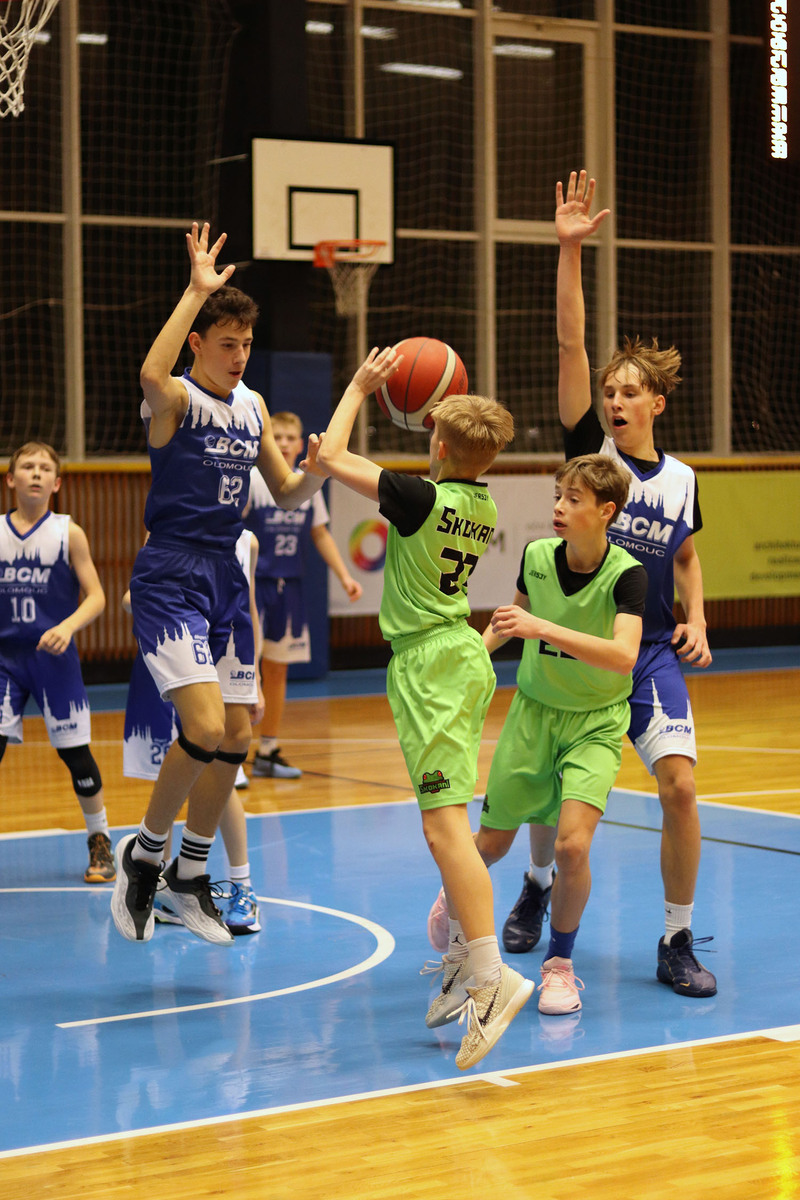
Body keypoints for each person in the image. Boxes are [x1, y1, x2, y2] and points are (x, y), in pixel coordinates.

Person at [474, 170, 716, 998]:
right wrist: (569, 251)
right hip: (577, 647)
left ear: (657, 402)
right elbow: (571, 344)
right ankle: (537, 884)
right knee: (551, 795)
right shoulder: (594, 456)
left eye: (628, 391)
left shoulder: (681, 479)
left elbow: (686, 556)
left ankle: (676, 937)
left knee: (681, 787)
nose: (613, 399)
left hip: (646, 654)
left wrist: (698, 618)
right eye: (608, 391)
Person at [317, 348, 534, 1072]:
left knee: (445, 829)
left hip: (433, 667)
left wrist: (359, 387)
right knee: (443, 824)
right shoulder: (481, 502)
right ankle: (463, 959)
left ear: (437, 445)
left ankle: (491, 976)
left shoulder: (420, 500)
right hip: (457, 656)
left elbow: (330, 457)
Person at [111, 221, 326, 946]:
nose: (239, 356)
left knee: (236, 735)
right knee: (202, 729)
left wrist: (319, 469)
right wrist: (194, 290)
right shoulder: (174, 398)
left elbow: (287, 492)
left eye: (247, 344)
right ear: (198, 343)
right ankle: (144, 855)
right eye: (227, 343)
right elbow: (149, 373)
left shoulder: (254, 407)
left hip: (226, 575)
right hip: (172, 569)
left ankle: (191, 874)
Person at [474, 454, 646, 1015]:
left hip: (595, 722)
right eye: (558, 496)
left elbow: (623, 656)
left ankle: (559, 967)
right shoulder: (536, 556)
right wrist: (471, 660)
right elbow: (511, 621)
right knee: (489, 846)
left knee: (572, 846)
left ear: (606, 510)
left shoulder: (628, 574)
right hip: (534, 713)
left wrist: (542, 627)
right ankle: (457, 907)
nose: (560, 507)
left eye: (574, 499)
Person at [122, 529, 264, 934]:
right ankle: (160, 882)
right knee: (173, 771)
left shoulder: (247, 543)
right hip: (173, 660)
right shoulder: (172, 529)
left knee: (223, 772)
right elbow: (134, 594)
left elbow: (249, 613)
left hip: (225, 663)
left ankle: (242, 885)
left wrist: (255, 678)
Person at [0, 441, 114, 884]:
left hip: (54, 658)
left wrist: (67, 627)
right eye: (27, 466)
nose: (35, 473)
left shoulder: (69, 532)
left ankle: (99, 839)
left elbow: (97, 596)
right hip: (5, 661)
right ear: (10, 478)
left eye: (44, 468)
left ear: (57, 483)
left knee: (76, 753)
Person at [244, 411, 362, 780]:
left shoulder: (308, 483)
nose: (282, 443)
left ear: (299, 444)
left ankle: (267, 750)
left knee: (277, 670)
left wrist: (344, 576)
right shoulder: (252, 479)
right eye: (276, 436)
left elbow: (320, 533)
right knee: (242, 668)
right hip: (252, 586)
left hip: (289, 587)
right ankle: (229, 752)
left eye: (289, 437)